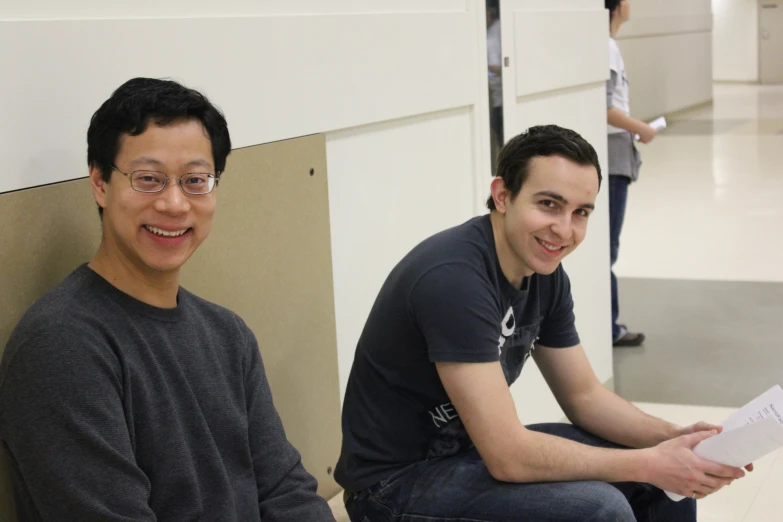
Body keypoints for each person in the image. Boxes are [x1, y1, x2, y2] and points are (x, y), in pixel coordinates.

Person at [335, 125, 749, 522]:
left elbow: (585, 397)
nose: (564, 230)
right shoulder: (454, 280)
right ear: (502, 195)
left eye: (580, 212)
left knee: (656, 481)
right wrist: (647, 463)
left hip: (468, 451)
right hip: (393, 486)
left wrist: (675, 440)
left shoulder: (545, 276)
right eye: (548, 204)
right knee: (601, 507)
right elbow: (508, 455)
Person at [0, 78, 335, 522]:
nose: (175, 204)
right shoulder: (62, 347)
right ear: (100, 183)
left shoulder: (227, 334)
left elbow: (285, 490)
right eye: (149, 179)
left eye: (195, 180)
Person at [606, 0, 656, 347]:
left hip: (615, 151)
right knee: (606, 246)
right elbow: (605, 106)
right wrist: (641, 127)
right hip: (611, 155)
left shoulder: (605, 44)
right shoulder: (605, 46)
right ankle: (608, 328)